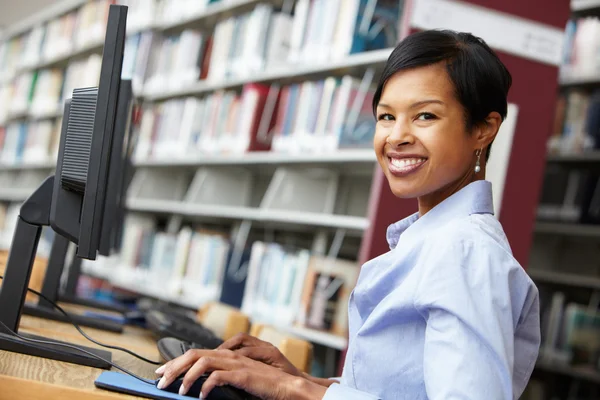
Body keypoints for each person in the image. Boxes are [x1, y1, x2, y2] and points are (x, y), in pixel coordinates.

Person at [154, 29, 541, 400]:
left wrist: (295, 390)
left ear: (484, 130)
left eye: (425, 116)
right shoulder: (437, 239)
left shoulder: (467, 252)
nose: (396, 136)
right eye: (386, 116)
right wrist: (302, 379)